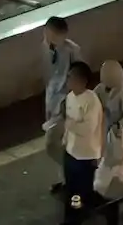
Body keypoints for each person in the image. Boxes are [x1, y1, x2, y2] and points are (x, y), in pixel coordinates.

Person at [42, 16, 84, 193]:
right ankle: (68, 179)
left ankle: (75, 174)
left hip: (66, 104)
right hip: (53, 102)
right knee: (64, 144)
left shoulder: (72, 51)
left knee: (52, 144)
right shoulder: (45, 47)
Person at [95, 60, 123, 221]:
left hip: (118, 135)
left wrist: (119, 127)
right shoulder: (101, 90)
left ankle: (98, 189)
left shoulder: (122, 95)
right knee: (120, 164)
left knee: (110, 163)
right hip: (109, 133)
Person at [61, 62, 105, 220]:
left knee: (82, 190)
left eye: (71, 77)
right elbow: (69, 121)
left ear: (82, 80)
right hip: (71, 152)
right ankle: (72, 216)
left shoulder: (91, 101)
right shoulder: (70, 98)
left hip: (86, 156)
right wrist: (66, 138)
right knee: (71, 188)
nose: (68, 81)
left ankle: (82, 215)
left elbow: (87, 129)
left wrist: (69, 125)